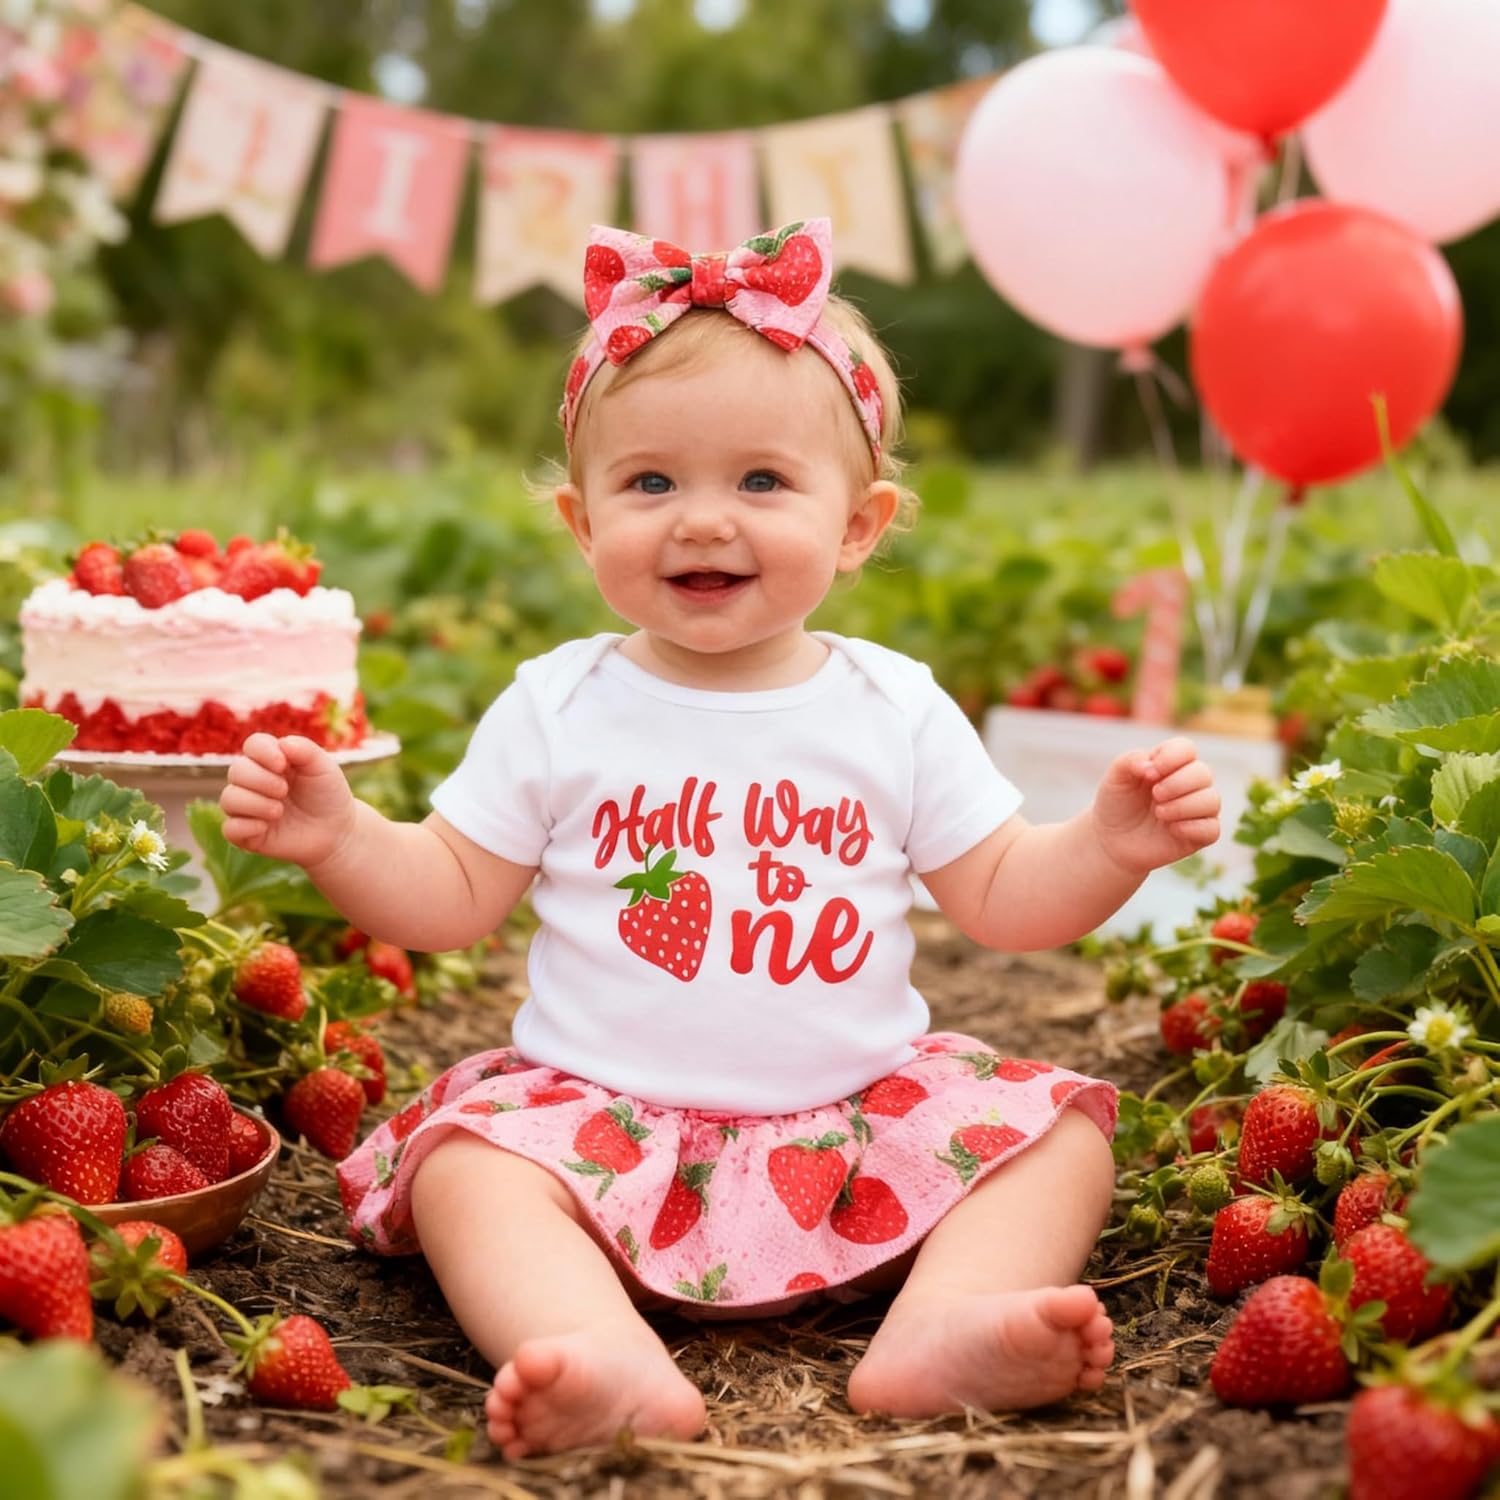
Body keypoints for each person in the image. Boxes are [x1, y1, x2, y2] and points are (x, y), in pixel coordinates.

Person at [220, 218, 1221, 1461]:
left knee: (1062, 1131)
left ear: (860, 525)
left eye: (761, 481)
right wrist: (340, 835)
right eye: (651, 483)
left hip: (855, 1131)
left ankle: (945, 1320)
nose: (701, 521)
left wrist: (1112, 844)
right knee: (469, 1170)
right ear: (584, 525)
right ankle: (598, 1350)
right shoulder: (559, 701)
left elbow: (1007, 898)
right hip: (601, 1144)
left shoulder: (893, 705)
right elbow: (452, 894)